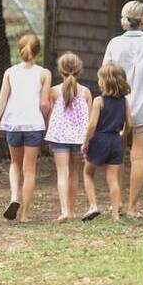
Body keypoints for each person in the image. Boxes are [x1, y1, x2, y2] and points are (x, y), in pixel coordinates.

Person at [102, 0, 143, 218]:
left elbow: (104, 75)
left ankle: (117, 203)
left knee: (118, 156)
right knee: (138, 157)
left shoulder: (114, 43)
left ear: (124, 20)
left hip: (119, 106)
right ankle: (132, 208)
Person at [0, 34, 51, 223]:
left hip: (13, 125)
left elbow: (2, 100)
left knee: (15, 164)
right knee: (29, 169)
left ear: (20, 51)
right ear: (38, 52)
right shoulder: (44, 73)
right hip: (34, 125)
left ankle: (14, 197)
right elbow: (45, 104)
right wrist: (46, 123)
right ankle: (24, 214)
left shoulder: (10, 72)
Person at [81, 64, 133, 222]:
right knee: (113, 178)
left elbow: (92, 125)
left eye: (99, 78)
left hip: (99, 139)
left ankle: (93, 206)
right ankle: (116, 214)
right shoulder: (124, 102)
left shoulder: (98, 101)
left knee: (88, 173)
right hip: (115, 140)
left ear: (104, 82)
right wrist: (123, 138)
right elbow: (130, 124)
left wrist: (86, 141)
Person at [44, 52, 92, 223]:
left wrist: (49, 136)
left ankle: (64, 211)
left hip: (59, 137)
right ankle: (71, 211)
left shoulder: (54, 91)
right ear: (79, 70)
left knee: (62, 173)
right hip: (79, 139)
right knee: (74, 173)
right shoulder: (86, 92)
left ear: (60, 70)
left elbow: (49, 114)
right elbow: (91, 118)